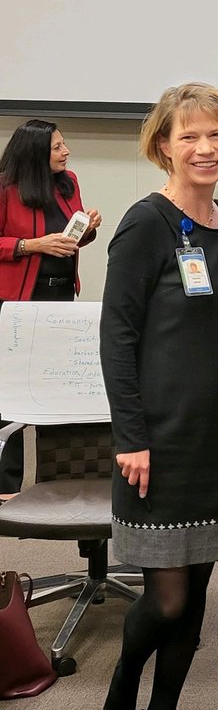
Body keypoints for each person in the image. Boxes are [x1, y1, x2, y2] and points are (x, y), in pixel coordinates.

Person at [99, 83, 218, 710]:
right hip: (158, 443)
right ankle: (126, 674)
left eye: (216, 135)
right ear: (163, 144)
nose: (205, 148)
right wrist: (130, 435)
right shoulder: (145, 225)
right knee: (164, 600)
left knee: (197, 594)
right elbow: (118, 334)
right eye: (189, 136)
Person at [0, 119, 102, 493]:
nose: (66, 151)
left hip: (61, 297)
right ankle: (6, 484)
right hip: (17, 303)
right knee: (10, 392)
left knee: (57, 388)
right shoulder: (5, 188)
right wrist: (31, 245)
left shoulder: (68, 181)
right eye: (58, 147)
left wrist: (87, 228)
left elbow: (69, 241)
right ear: (36, 153)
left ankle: (56, 481)